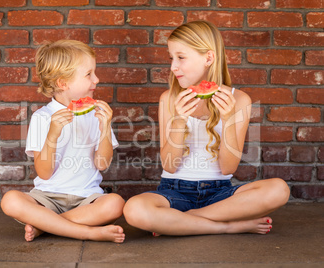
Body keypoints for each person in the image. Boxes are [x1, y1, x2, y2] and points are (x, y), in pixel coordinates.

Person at [123, 21, 290, 236]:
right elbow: (169, 166)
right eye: (171, 58)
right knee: (134, 209)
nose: (173, 67)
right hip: (174, 191)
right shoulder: (169, 99)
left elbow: (228, 168)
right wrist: (179, 121)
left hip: (219, 194)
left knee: (278, 190)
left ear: (208, 58)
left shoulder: (239, 100)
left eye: (181, 58)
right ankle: (227, 226)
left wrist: (228, 119)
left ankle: (179, 222)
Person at [1, 40, 125, 243]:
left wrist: (105, 128)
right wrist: (52, 134)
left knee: (115, 203)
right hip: (47, 197)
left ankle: (46, 226)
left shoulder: (98, 114)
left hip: (87, 198)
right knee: (10, 200)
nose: (97, 79)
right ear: (62, 83)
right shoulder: (42, 117)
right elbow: (44, 172)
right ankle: (88, 232)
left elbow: (102, 164)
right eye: (89, 74)